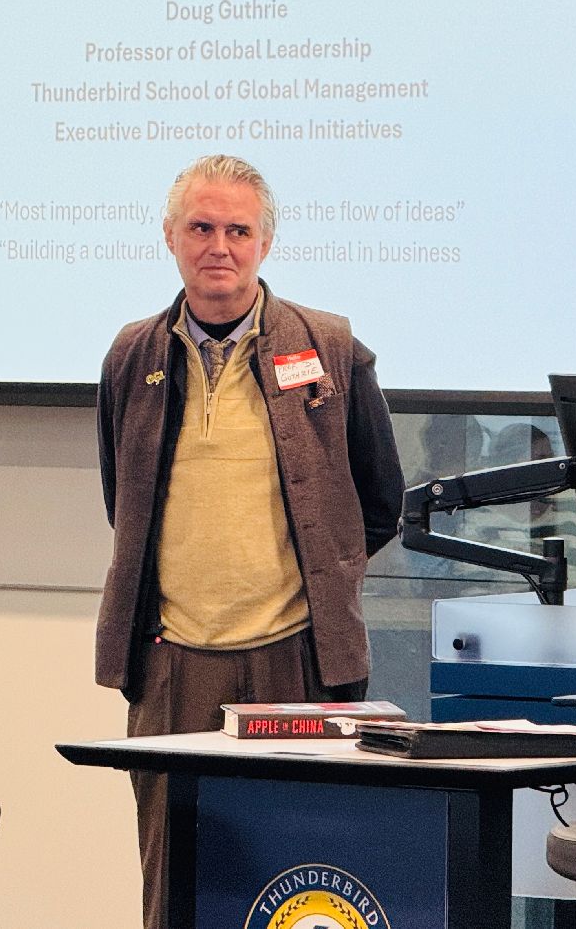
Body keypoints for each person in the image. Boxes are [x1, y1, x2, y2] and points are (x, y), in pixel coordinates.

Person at [94, 154, 404, 928]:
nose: (219, 247)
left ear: (266, 241)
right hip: (172, 664)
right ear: (170, 236)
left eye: (238, 230)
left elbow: (379, 502)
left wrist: (325, 579)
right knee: (176, 883)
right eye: (201, 228)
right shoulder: (132, 356)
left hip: (296, 660)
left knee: (303, 880)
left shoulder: (330, 347)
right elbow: (123, 504)